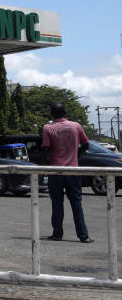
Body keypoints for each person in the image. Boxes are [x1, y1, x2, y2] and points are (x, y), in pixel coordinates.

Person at [42, 103, 93, 243]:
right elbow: (86, 145)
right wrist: (75, 154)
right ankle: (84, 236)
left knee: (57, 204)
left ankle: (57, 234)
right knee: (76, 203)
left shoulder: (48, 128)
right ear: (65, 113)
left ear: (52, 114)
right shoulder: (76, 126)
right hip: (73, 170)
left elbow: (46, 149)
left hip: (56, 171)